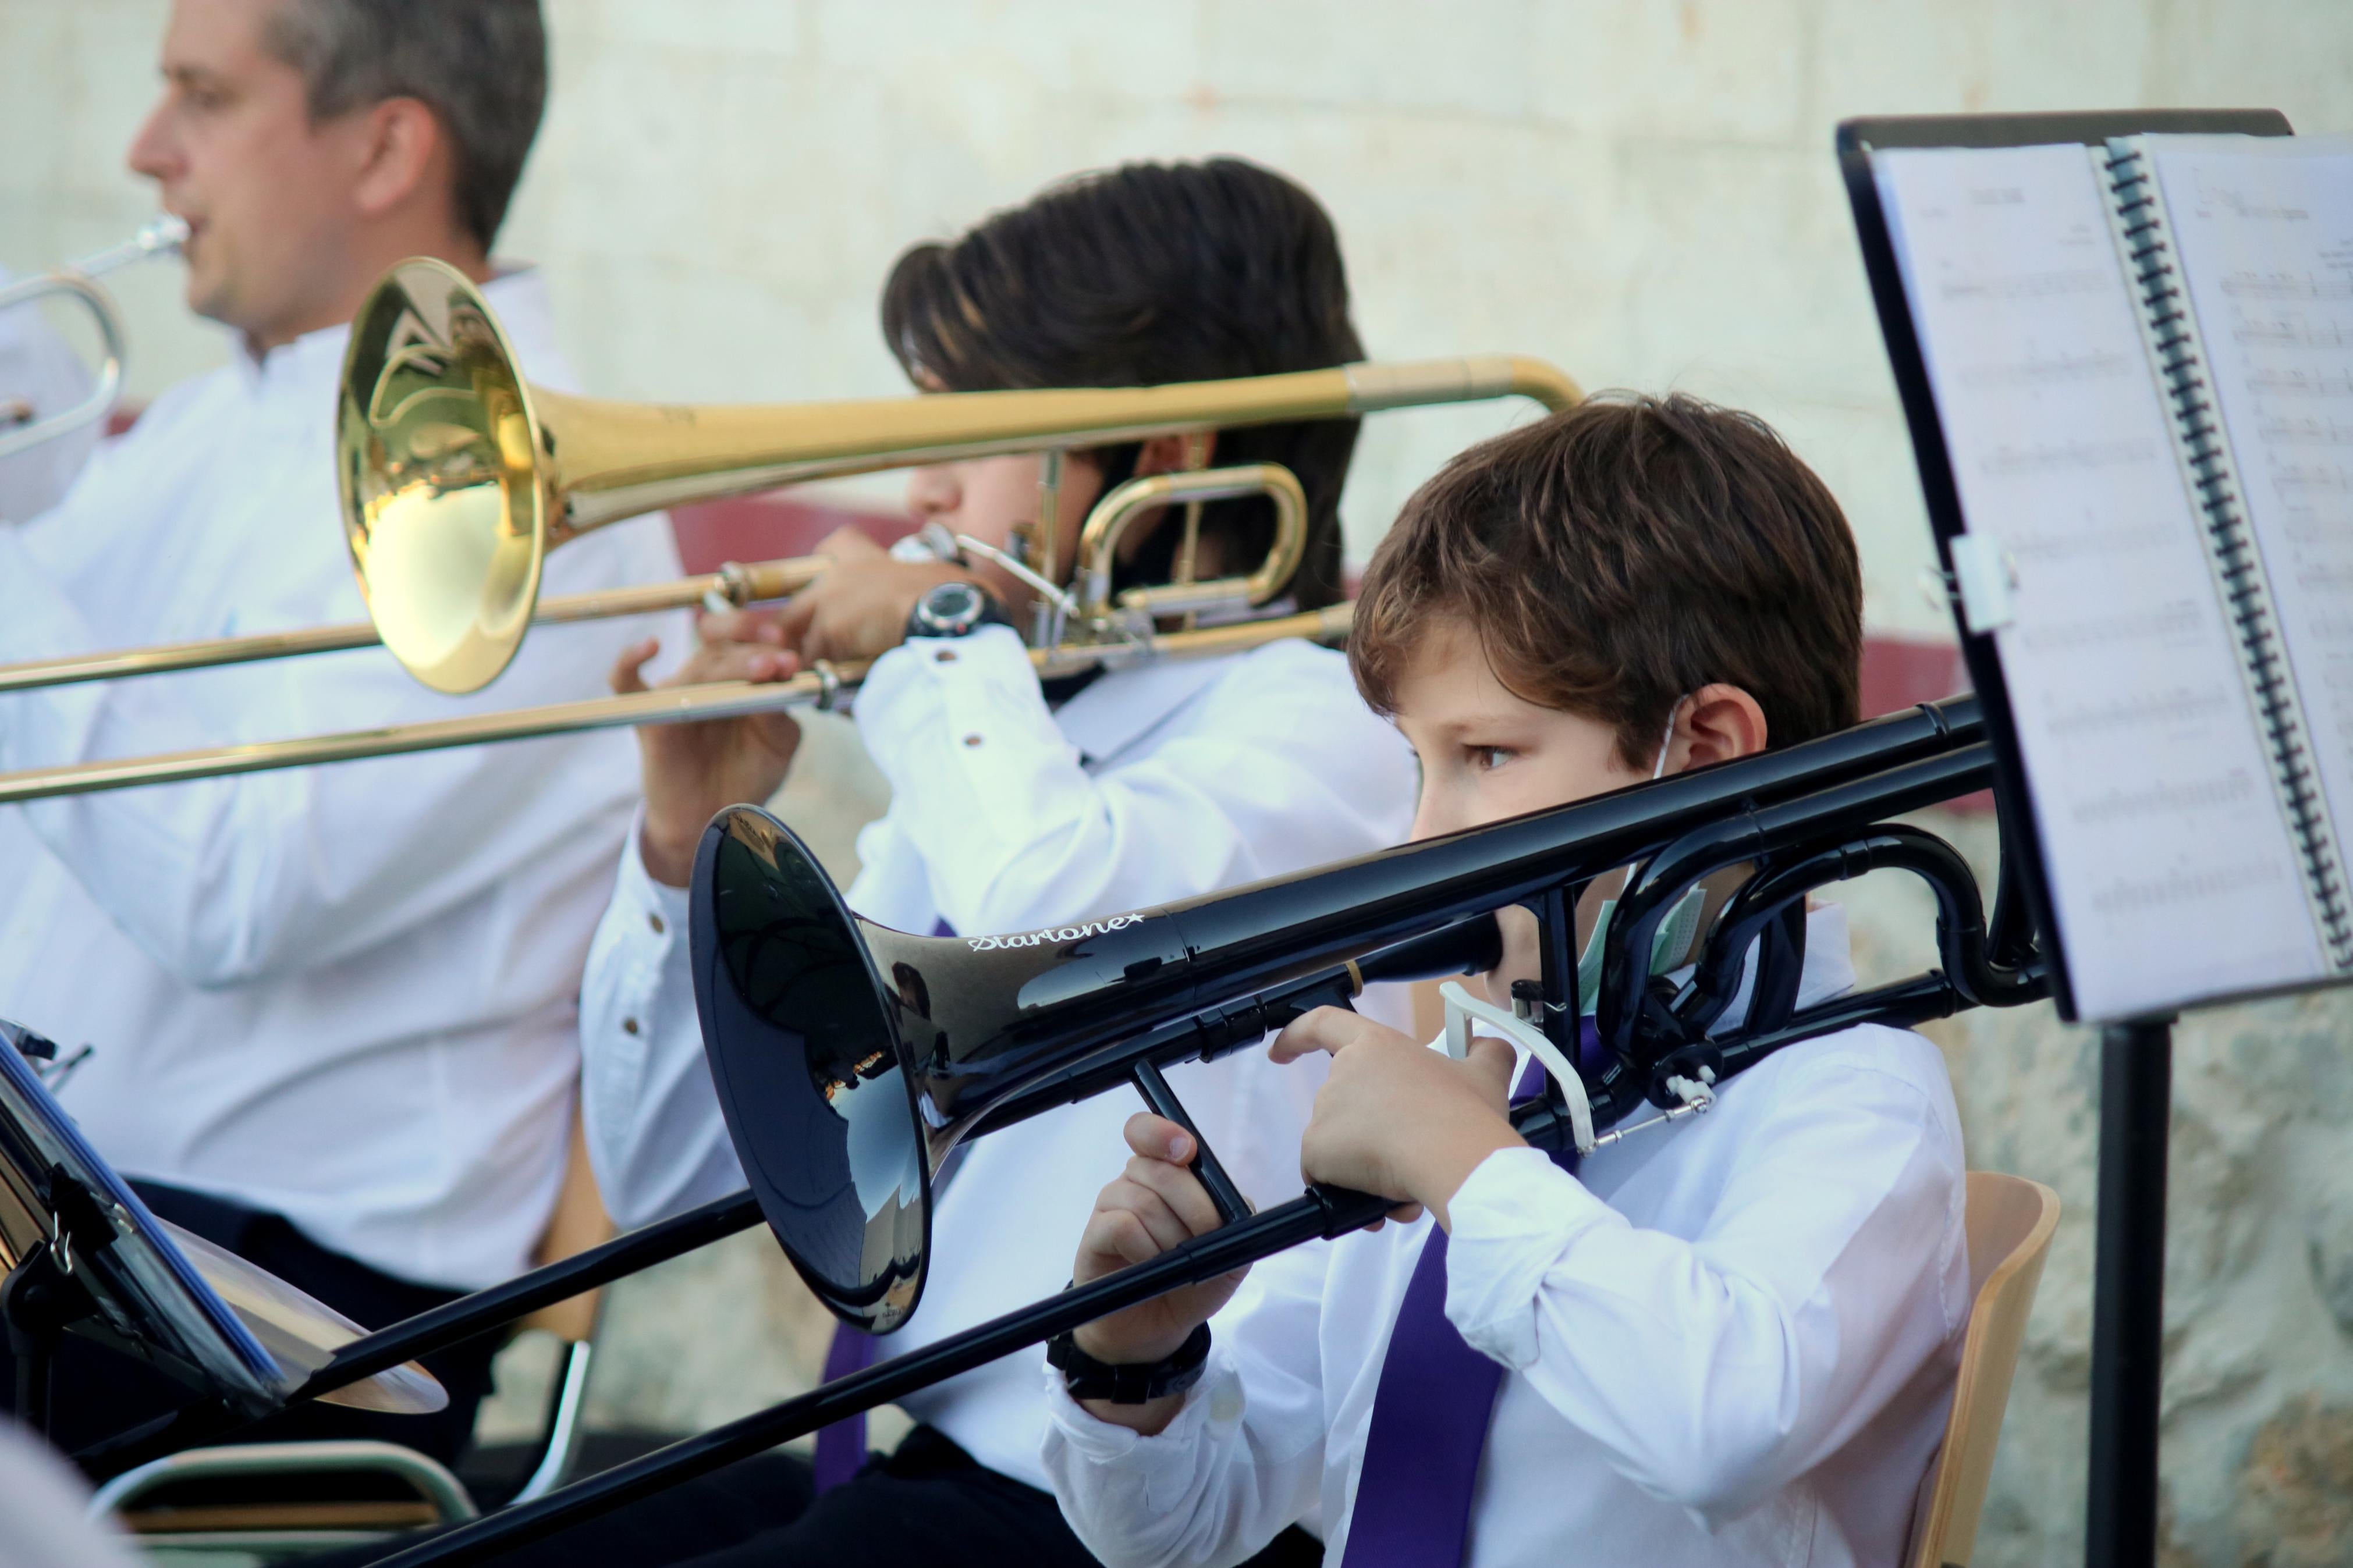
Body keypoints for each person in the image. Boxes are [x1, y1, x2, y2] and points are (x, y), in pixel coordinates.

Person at [546, 159, 1417, 1567]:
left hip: (1126, 1509)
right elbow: (666, 1180)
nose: (923, 487)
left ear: (1168, 450)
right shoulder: (1012, 730)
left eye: (980, 431)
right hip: (915, 1465)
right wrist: (673, 848)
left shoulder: (1326, 732)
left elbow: (1051, 918)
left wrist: (941, 633)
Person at [1044, 396, 1971, 1568]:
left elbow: (1721, 1425)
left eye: (1485, 755)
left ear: (1707, 753)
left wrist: (1466, 1168)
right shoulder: (1483, 1080)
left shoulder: (1854, 1097)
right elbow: (1182, 1532)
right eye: (1419, 764)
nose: (1422, 833)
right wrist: (1138, 1361)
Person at [0, 0, 680, 1468]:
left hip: (290, 1297)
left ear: (383, 149)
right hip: (80, 1214)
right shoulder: (212, 422)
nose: (144, 149)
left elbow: (229, 893)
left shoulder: (531, 505)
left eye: (203, 96)